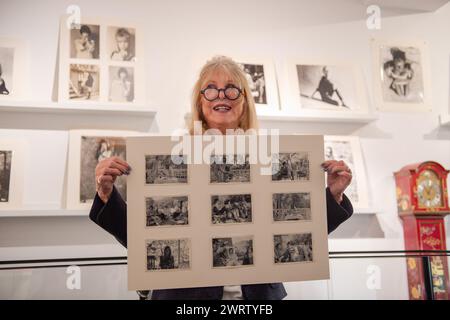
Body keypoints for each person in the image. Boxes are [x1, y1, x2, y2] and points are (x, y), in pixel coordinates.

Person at [90, 55, 354, 300]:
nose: (221, 95)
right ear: (200, 101)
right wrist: (106, 195)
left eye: (231, 87)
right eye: (211, 88)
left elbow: (300, 231)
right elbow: (140, 236)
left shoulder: (270, 157)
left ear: (244, 100)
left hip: (258, 298)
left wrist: (333, 195)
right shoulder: (175, 156)